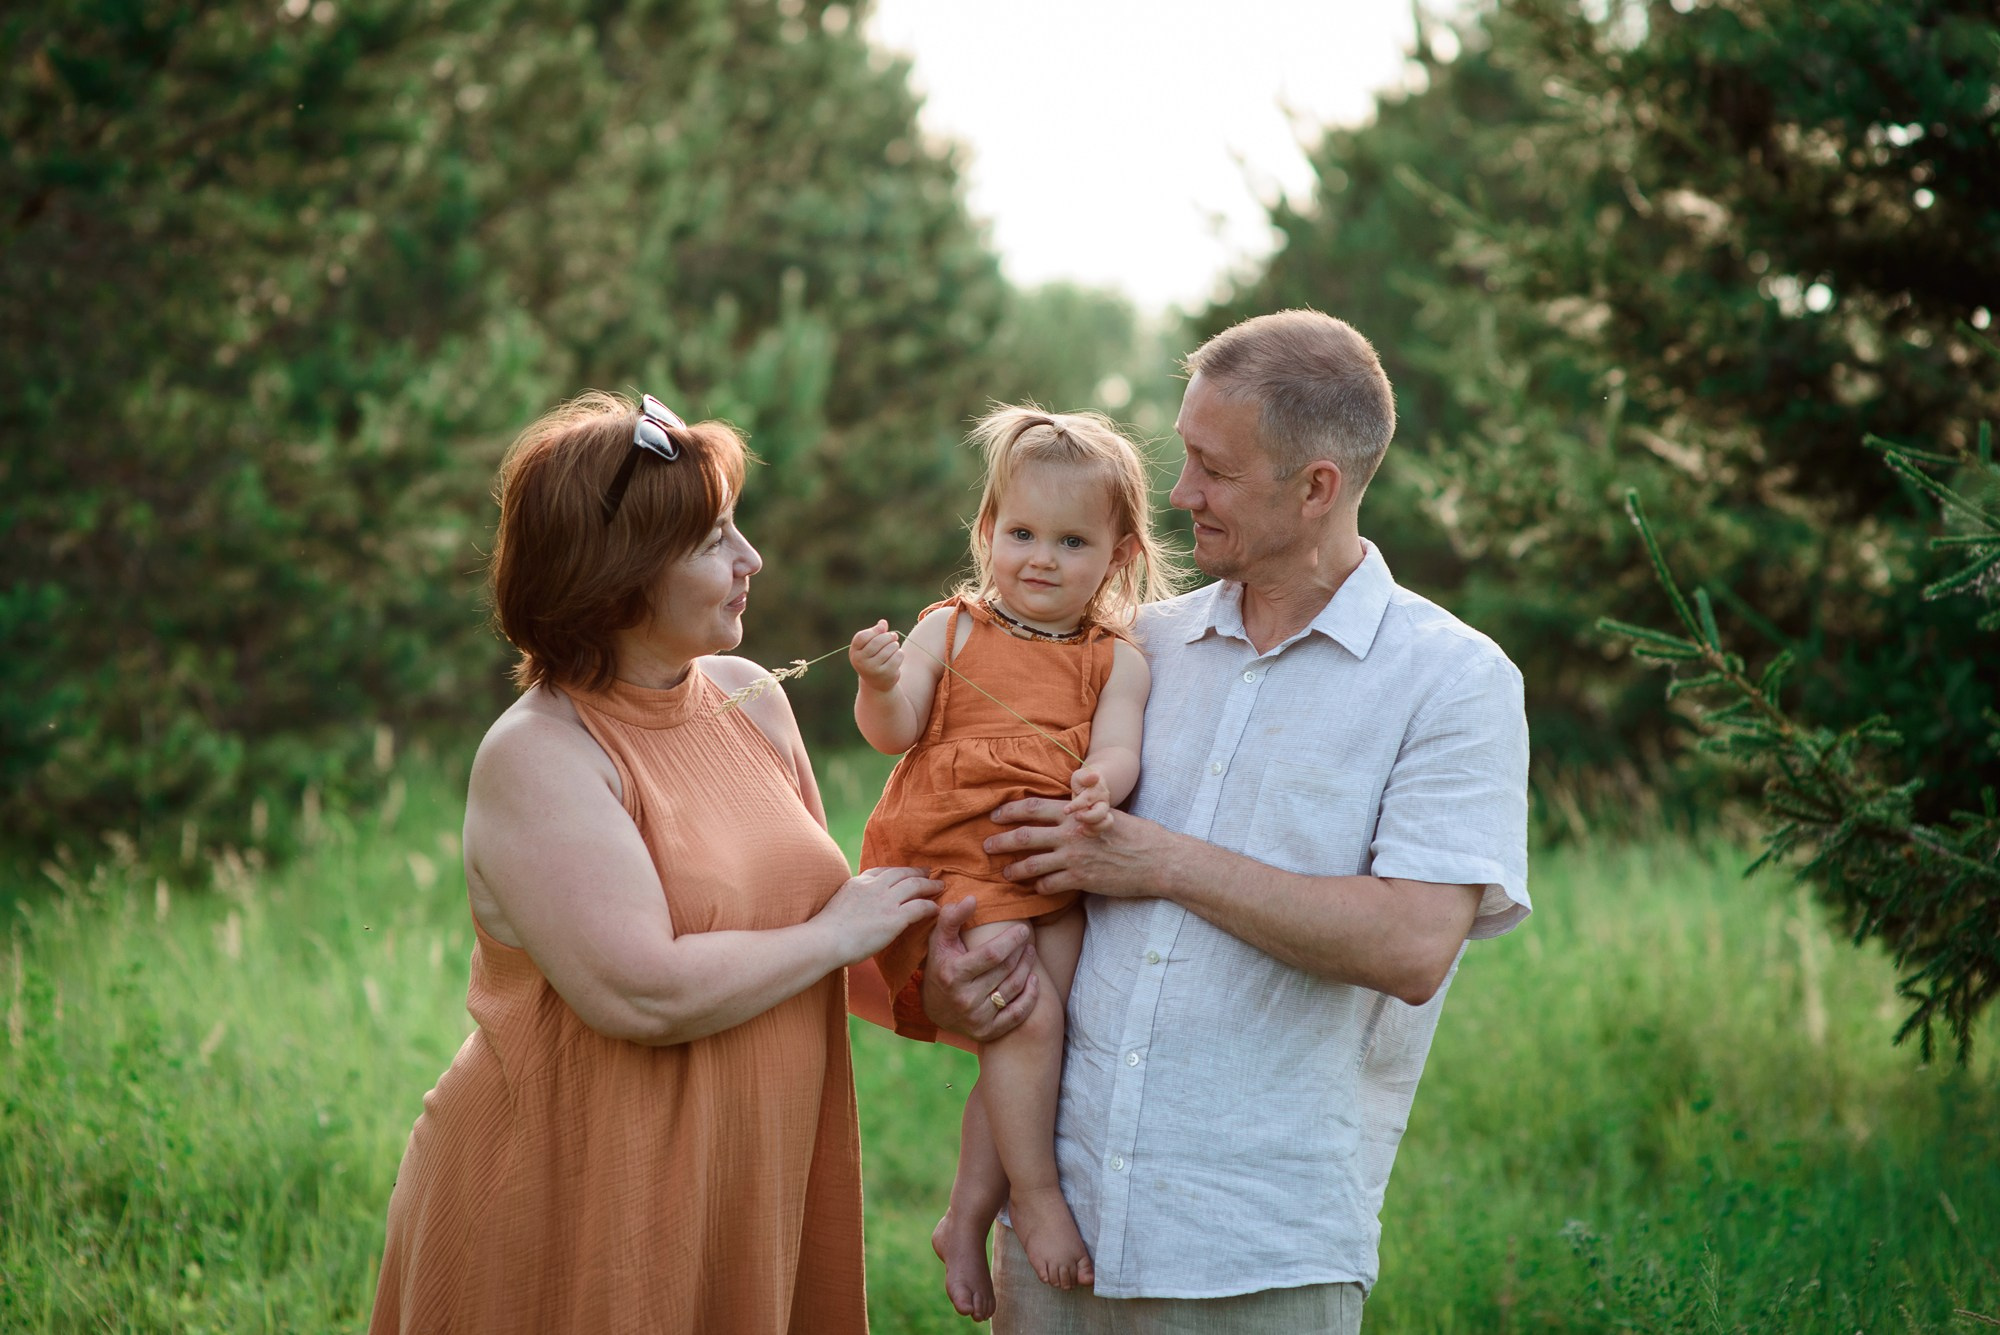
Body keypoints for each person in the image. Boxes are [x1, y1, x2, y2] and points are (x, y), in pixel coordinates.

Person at [917, 310, 1532, 1333]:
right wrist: (958, 982)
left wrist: (1157, 860)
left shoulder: (1451, 680)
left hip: (1255, 1253)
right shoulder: (1129, 646)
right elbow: (1015, 882)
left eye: (1213, 468)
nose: (1178, 493)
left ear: (1316, 487)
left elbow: (1413, 946)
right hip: (1058, 1241)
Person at [369, 391, 942, 1335]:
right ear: (619, 575)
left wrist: (955, 991)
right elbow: (643, 993)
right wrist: (841, 931)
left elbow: (821, 938)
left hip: (744, 1180)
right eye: (715, 540)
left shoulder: (751, 697)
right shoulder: (541, 753)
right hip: (575, 1194)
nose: (752, 558)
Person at [848, 406, 1176, 1319]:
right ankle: (1033, 1200)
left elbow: (1119, 748)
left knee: (1034, 1034)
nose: (1041, 558)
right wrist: (879, 682)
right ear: (988, 529)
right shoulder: (948, 631)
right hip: (958, 859)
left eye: (1072, 541)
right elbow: (895, 730)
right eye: (1022, 532)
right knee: (1025, 1021)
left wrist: (1100, 784)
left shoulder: (1117, 660)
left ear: (1117, 555)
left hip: (1051, 873)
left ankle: (964, 1214)